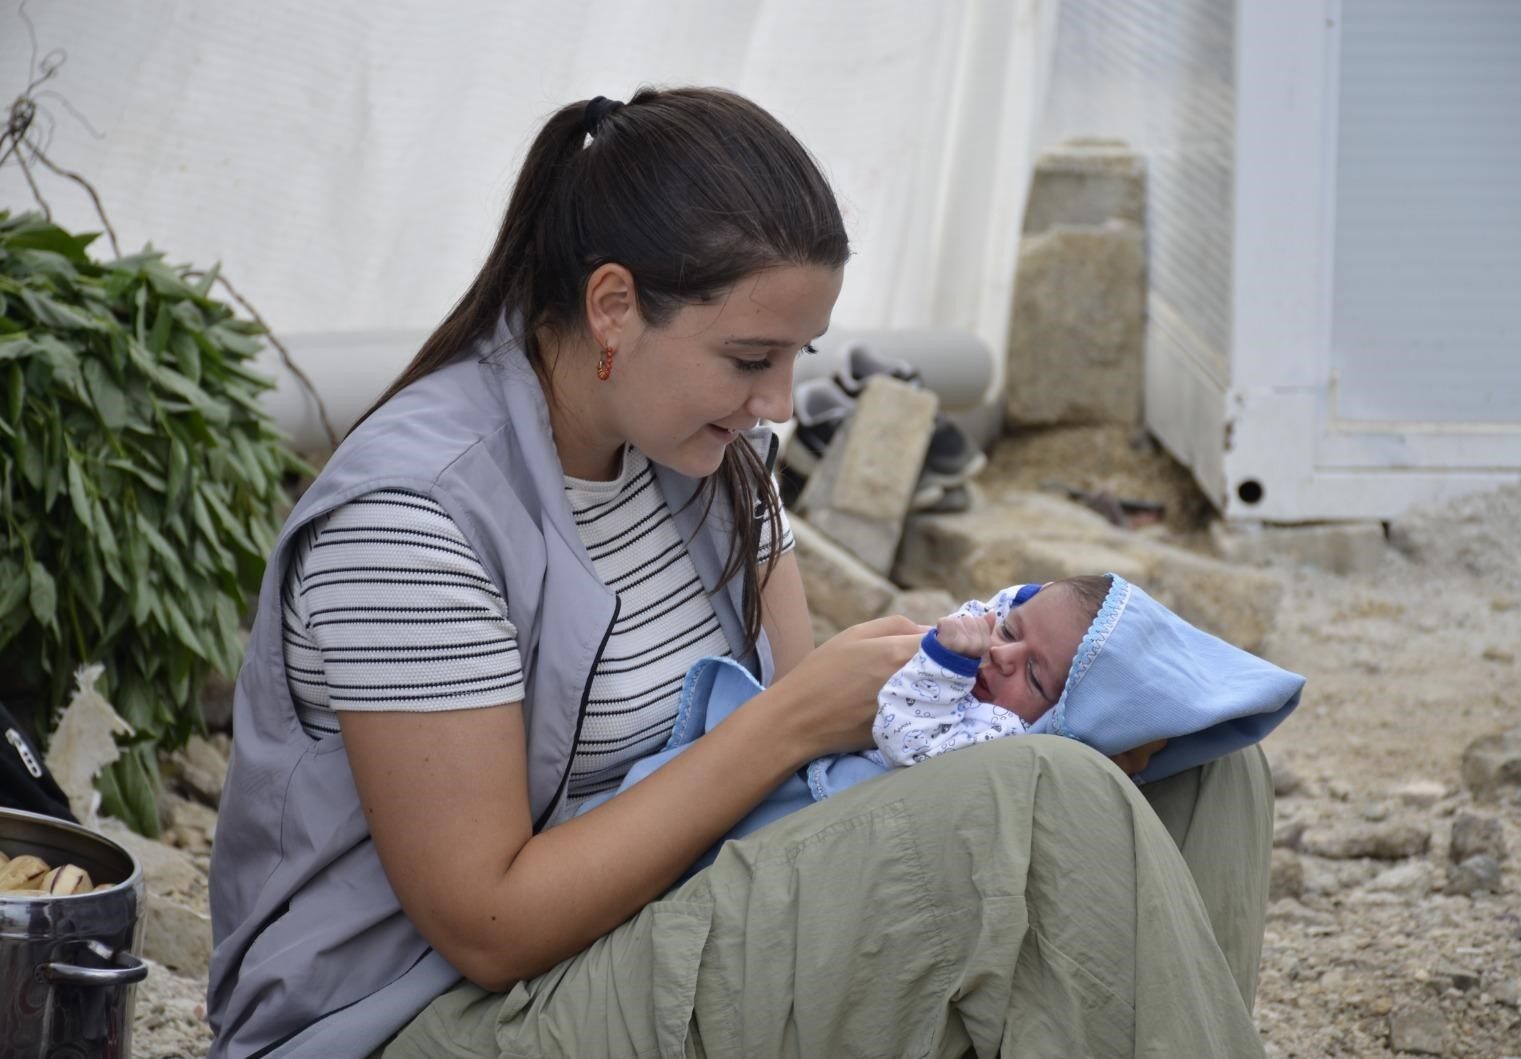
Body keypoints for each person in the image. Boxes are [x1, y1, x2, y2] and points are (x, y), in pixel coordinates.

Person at [206, 86, 1275, 1058]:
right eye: (750, 358)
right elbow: (487, 928)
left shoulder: (715, 457)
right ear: (613, 307)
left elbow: (808, 797)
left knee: (1188, 753)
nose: (780, 402)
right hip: (425, 1019)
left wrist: (928, 701)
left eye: (798, 356)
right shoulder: (413, 522)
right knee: (1035, 800)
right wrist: (801, 718)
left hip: (648, 935)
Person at [869, 574, 1302, 781]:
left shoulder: (1003, 738)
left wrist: (944, 665)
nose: (1000, 655)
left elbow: (907, 743)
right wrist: (1004, 616)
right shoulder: (997, 660)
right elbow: (996, 611)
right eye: (1010, 630)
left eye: (1035, 676)